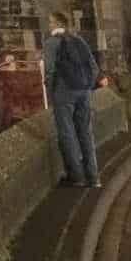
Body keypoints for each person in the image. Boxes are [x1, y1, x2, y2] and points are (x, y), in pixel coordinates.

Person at [43, 10, 101, 187]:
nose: (49, 24)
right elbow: (93, 66)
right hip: (83, 90)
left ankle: (76, 177)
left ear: (57, 24)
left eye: (51, 21)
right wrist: (87, 87)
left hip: (64, 92)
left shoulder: (52, 43)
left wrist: (51, 92)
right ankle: (93, 177)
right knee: (85, 132)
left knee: (66, 134)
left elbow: (50, 71)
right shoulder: (78, 40)